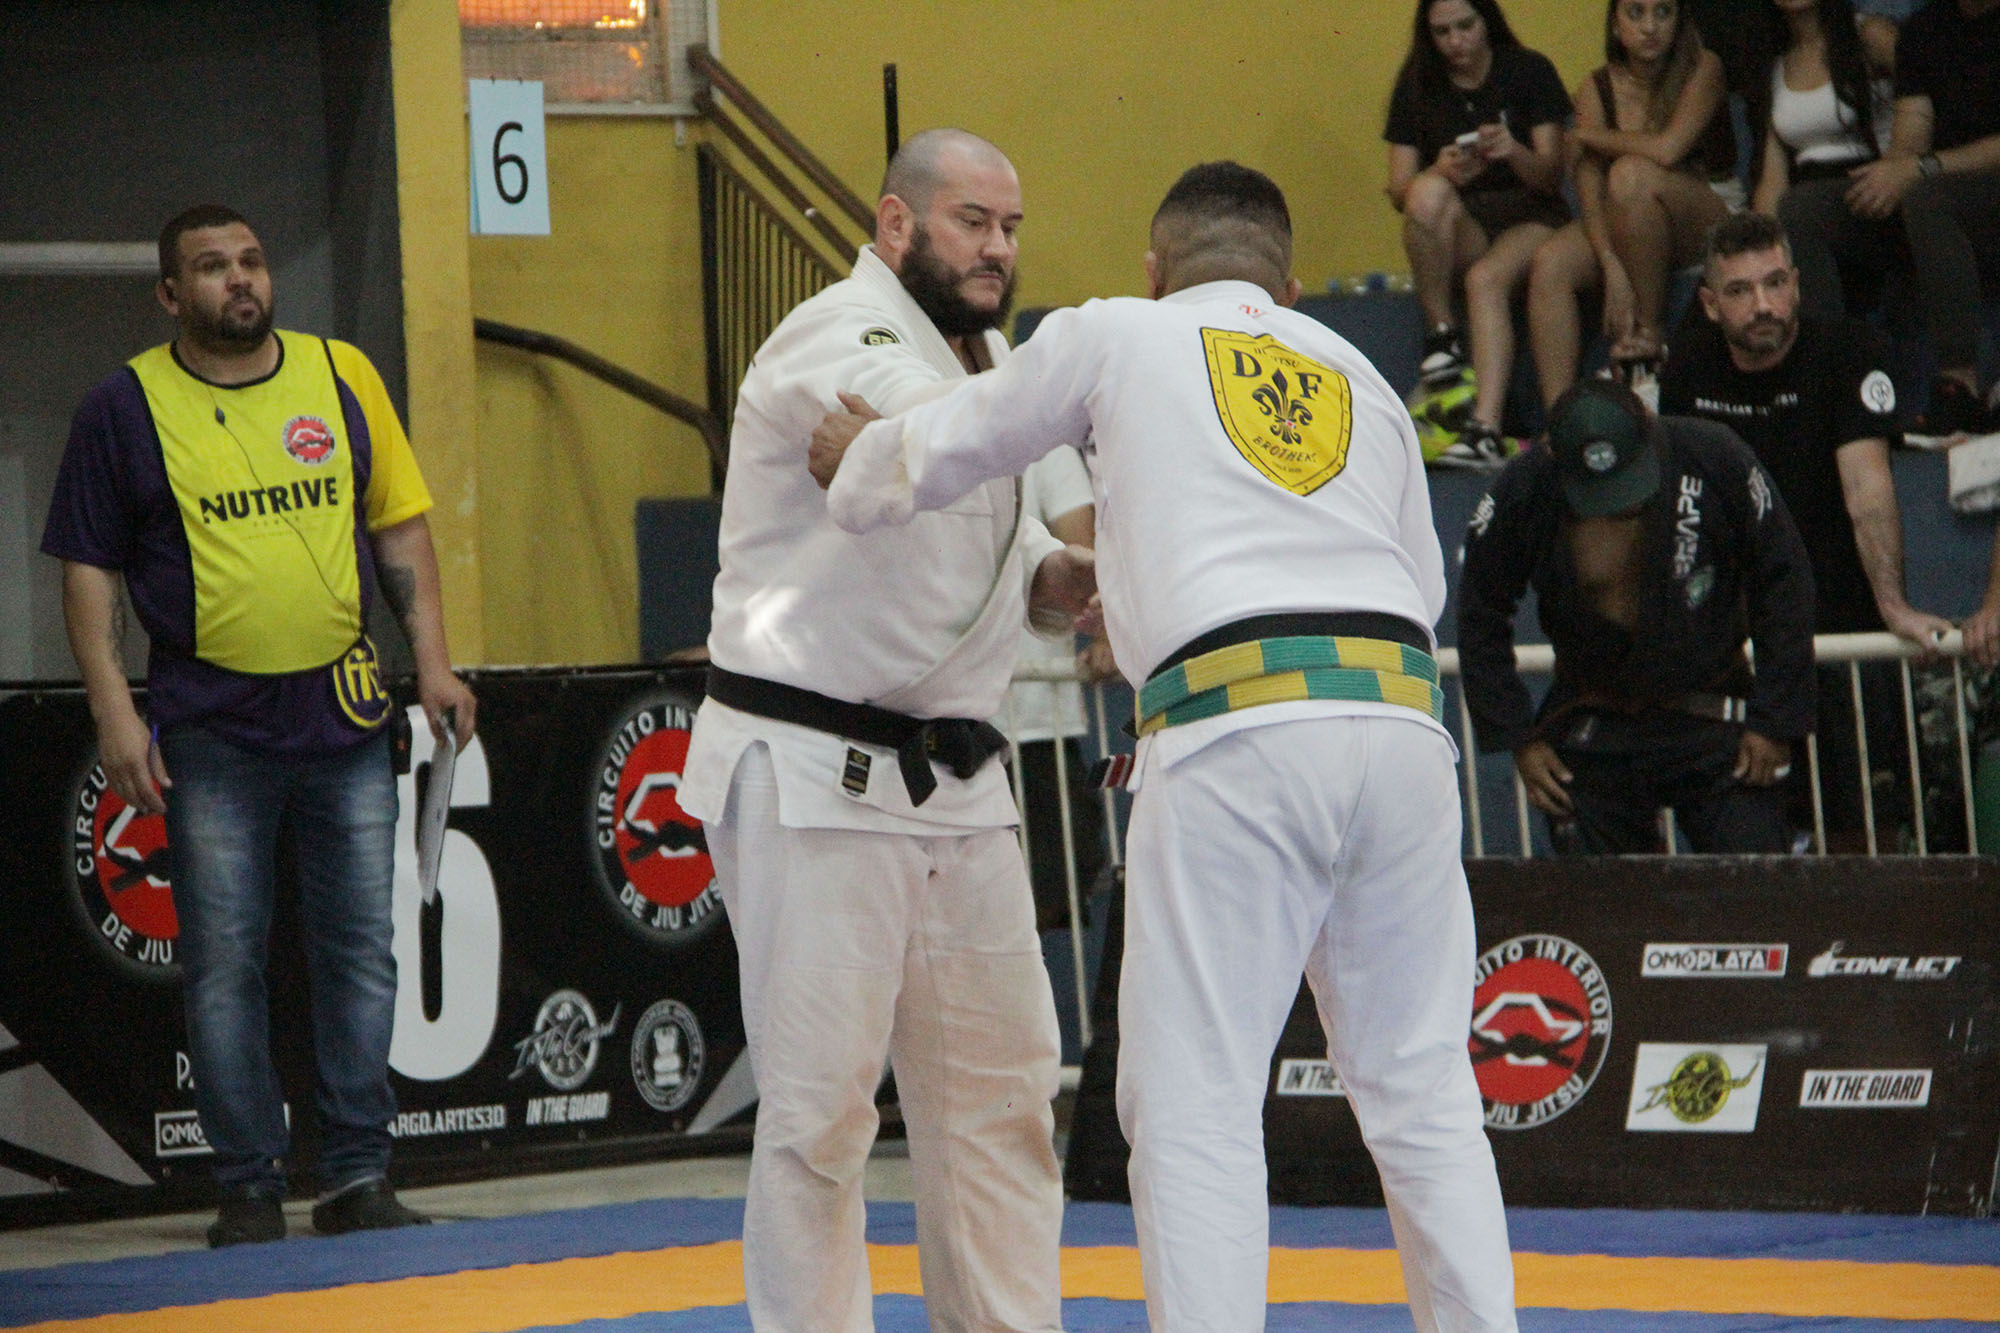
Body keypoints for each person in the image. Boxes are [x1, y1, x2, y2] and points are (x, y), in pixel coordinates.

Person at [814, 162, 1518, 1333]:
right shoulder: (1359, 374)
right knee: (1423, 1089)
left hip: (1237, 726)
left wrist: (861, 461)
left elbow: (965, 433)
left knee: (1192, 1102)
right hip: (1398, 722)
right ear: (1288, 287)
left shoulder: (1114, 332)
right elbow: (1418, 584)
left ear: (1153, 271)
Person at [674, 129, 1090, 1333]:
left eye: (1009, 227)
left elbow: (987, 512)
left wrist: (1048, 576)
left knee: (1002, 1106)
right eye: (972, 222)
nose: (997, 248)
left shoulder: (988, 359)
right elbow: (925, 437)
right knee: (819, 1118)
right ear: (894, 224)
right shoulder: (836, 334)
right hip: (815, 772)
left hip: (958, 783)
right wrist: (1063, 391)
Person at [40, 204, 476, 1246]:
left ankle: (358, 1175)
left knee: (361, 951)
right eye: (211, 267)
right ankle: (247, 1183)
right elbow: (89, 568)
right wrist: (113, 710)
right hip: (209, 723)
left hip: (344, 713)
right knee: (226, 959)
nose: (239, 279)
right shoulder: (123, 407)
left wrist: (433, 664)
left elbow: (399, 527)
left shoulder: (341, 374)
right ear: (169, 294)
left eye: (250, 261)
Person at [1662, 210, 1951, 846]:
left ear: (1796, 284)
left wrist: (1893, 605)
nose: (1761, 305)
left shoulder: (1848, 351)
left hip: (1841, 618)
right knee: (1753, 833)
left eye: (1774, 283)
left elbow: (1867, 490)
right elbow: (1685, 508)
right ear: (1709, 304)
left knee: (1863, 823)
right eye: (1740, 291)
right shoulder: (1688, 368)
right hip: (1742, 640)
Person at [1458, 377, 1816, 853]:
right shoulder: (1524, 489)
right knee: (1597, 884)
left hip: (1711, 704)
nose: (1617, 508)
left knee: (1754, 862)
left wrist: (1774, 720)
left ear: (1648, 425)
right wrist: (1520, 737)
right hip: (1593, 714)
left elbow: (1785, 582)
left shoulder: (1712, 454)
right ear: (1551, 454)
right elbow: (1479, 612)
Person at [1780, 0, 2000, 436]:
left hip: (1975, 193)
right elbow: (1913, 129)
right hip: (1937, 196)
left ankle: (1958, 385)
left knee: (1927, 197)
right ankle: (1832, 384)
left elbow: (1926, 168)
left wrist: (1920, 170)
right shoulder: (1925, 28)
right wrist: (1891, 175)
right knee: (1802, 210)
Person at [1384, 0, 1571, 466]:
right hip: (1468, 218)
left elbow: (1552, 176)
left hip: (1533, 215)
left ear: (1487, 22)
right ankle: (1441, 338)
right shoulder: (1417, 84)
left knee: (1484, 279)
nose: (1455, 42)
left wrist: (1513, 151)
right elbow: (1400, 191)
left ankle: (1485, 427)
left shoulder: (1529, 70)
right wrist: (1441, 170)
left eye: (1465, 26)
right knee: (1426, 192)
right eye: (1442, 32)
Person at [1528, 0, 1739, 407]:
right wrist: (1610, 262)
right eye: (1636, 13)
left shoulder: (1703, 67)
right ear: (1615, 24)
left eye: (1663, 12)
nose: (1650, 27)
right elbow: (1588, 183)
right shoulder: (1597, 86)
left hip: (1705, 207)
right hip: (1627, 214)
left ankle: (1648, 339)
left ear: (1679, 20)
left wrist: (1587, 136)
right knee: (1550, 261)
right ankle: (1560, 415)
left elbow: (1667, 150)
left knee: (1630, 174)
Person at [1004, 445, 1111, 932]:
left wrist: (1107, 637)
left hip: (1035, 726)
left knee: (1048, 899)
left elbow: (1085, 564)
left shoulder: (1048, 452)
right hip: (941, 719)